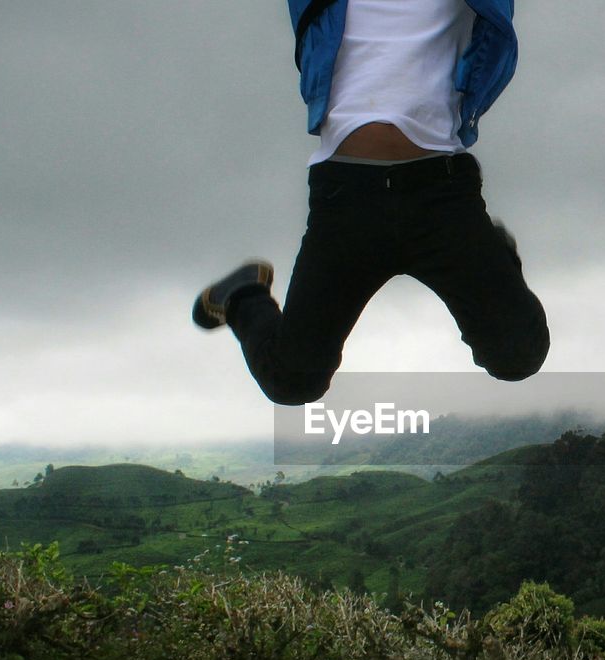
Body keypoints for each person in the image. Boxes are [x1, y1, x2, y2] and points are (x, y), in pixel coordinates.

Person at [192, 0, 549, 406]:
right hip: (345, 197)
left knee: (519, 354)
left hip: (441, 191)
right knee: (292, 380)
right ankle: (243, 295)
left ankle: (496, 256)